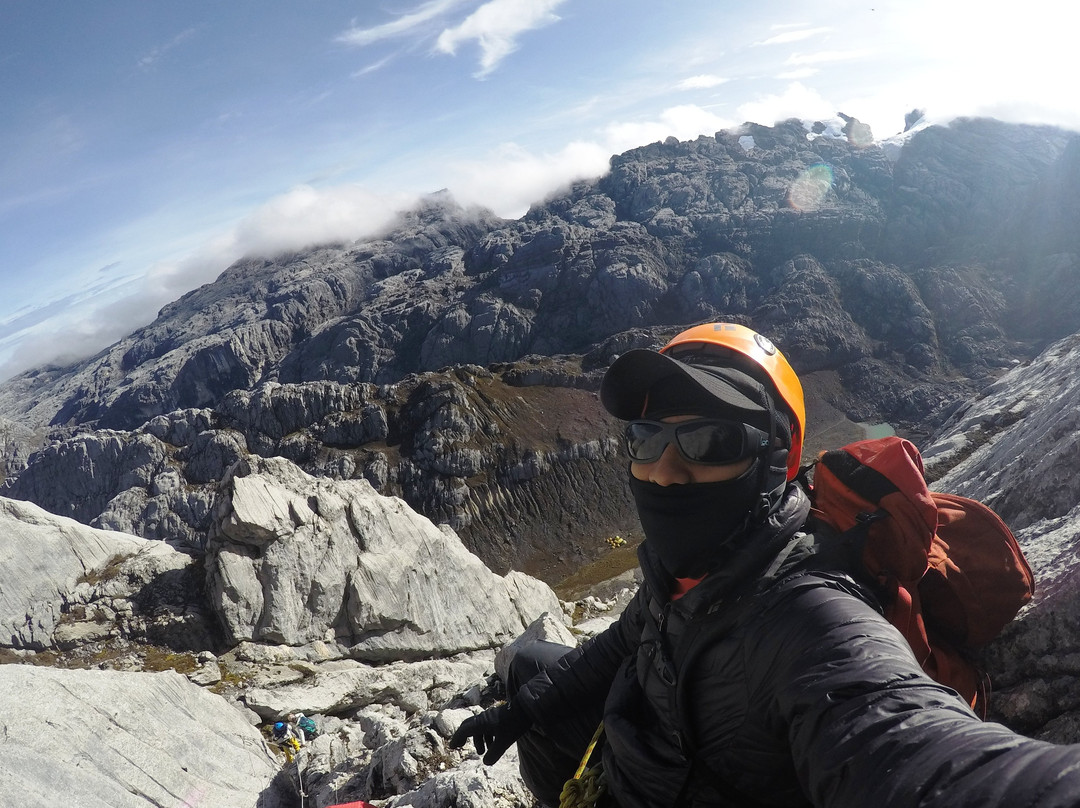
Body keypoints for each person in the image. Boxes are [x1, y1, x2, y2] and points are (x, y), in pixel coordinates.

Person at [451, 322, 1080, 807]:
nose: (665, 472)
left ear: (778, 460)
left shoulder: (812, 616)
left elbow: (905, 739)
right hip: (652, 764)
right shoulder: (689, 567)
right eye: (647, 440)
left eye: (711, 441)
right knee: (529, 668)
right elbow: (629, 635)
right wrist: (524, 708)